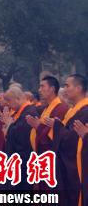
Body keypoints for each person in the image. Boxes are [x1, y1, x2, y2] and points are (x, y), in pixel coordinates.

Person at [43, 74, 88, 205]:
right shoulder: (75, 110)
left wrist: (57, 126)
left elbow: (71, 141)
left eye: (67, 85)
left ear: (78, 88)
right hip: (69, 167)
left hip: (77, 170)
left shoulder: (85, 112)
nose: (64, 89)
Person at [0, 85, 38, 191]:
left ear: (18, 98)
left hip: (24, 160)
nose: (8, 104)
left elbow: (22, 137)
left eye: (9, 101)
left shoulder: (29, 112)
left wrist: (9, 126)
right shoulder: (20, 112)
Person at [26, 76, 68, 156]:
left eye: (42, 86)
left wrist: (38, 126)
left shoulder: (61, 108)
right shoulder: (47, 108)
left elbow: (54, 139)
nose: (39, 90)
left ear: (52, 89)